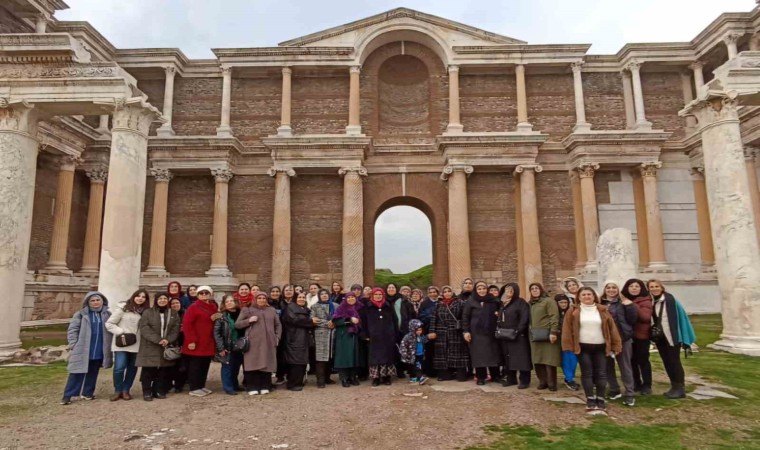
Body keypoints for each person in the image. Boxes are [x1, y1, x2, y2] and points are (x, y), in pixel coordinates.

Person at [562, 286, 622, 413]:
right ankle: (590, 398)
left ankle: (600, 398)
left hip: (600, 346)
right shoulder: (573, 311)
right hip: (583, 347)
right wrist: (567, 345)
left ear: (594, 296)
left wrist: (616, 345)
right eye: (583, 295)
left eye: (589, 294)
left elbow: (612, 329)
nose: (587, 297)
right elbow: (567, 329)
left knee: (601, 373)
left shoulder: (602, 310)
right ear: (579, 297)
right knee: (587, 373)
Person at [61, 292, 113, 405]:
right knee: (76, 372)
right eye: (92, 301)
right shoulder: (80, 314)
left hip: (99, 348)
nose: (95, 302)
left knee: (93, 372)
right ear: (88, 302)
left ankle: (87, 393)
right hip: (83, 348)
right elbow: (72, 330)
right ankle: (68, 395)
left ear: (102, 301)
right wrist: (73, 344)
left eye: (97, 300)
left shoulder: (107, 314)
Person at [648, 279, 696, 399]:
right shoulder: (653, 301)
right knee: (667, 361)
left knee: (674, 361)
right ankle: (674, 386)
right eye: (651, 287)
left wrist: (683, 336)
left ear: (662, 287)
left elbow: (680, 317)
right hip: (661, 337)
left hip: (672, 336)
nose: (654, 288)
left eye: (656, 286)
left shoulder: (669, 300)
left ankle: (679, 388)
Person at [106, 289, 149, 401]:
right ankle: (117, 390)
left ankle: (126, 390)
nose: (140, 298)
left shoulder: (146, 311)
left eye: (143, 297)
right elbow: (109, 323)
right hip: (123, 343)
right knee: (119, 368)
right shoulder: (123, 309)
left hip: (138, 344)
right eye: (138, 296)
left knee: (132, 368)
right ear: (133, 297)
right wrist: (121, 332)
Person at [136, 293, 181, 401]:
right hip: (150, 345)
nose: (162, 300)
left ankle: (158, 390)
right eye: (160, 298)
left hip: (164, 345)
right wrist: (158, 340)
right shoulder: (148, 312)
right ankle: (147, 391)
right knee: (148, 370)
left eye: (165, 298)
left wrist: (168, 340)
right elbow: (145, 328)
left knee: (162, 370)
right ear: (156, 300)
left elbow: (175, 329)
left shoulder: (173, 313)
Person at [236, 291, 282, 395]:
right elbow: (237, 324)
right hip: (253, 342)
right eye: (259, 298)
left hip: (269, 341)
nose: (262, 300)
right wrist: (248, 321)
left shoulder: (271, 310)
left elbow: (278, 325)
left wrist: (277, 337)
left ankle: (265, 385)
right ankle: (252, 386)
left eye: (264, 298)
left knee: (267, 363)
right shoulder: (247, 310)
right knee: (253, 363)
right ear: (255, 299)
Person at [600, 280, 638, 406]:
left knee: (625, 366)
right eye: (608, 287)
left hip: (622, 338)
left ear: (618, 289)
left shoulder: (624, 302)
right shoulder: (600, 303)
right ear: (605, 290)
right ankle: (614, 389)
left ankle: (630, 393)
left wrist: (630, 306)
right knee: (607, 366)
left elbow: (632, 320)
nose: (611, 290)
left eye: (614, 287)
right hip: (605, 339)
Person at [181, 285, 218, 397]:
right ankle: (194, 387)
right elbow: (187, 324)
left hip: (208, 341)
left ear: (210, 294)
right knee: (195, 365)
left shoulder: (212, 307)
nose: (204, 295)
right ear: (197, 295)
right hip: (196, 341)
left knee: (204, 365)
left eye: (206, 293)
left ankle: (201, 385)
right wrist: (191, 340)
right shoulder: (193, 307)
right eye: (201, 293)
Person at [462, 281, 501, 385]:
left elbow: (501, 311)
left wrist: (498, 313)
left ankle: (495, 376)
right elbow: (465, 316)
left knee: (493, 354)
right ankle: (481, 377)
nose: (482, 290)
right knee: (479, 355)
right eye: (479, 289)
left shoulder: (494, 300)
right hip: (476, 332)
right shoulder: (471, 301)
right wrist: (466, 331)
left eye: (483, 288)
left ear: (487, 289)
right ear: (476, 290)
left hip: (491, 331)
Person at [428, 286, 469, 382]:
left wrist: (465, 330)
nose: (447, 293)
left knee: (458, 353)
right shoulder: (438, 304)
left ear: (452, 292)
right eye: (445, 291)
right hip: (441, 332)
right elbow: (434, 319)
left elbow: (464, 318)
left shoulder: (460, 303)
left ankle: (461, 374)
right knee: (443, 354)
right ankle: (445, 374)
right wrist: (432, 331)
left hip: (456, 331)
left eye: (449, 291)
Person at [360, 288, 400, 386]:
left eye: (380, 294)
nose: (378, 296)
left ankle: (386, 377)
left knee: (387, 356)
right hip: (374, 337)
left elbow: (394, 321)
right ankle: (376, 378)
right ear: (372, 296)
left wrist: (394, 334)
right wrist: (365, 335)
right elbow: (363, 323)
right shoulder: (367, 308)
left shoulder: (388, 306)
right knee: (375, 357)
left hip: (387, 336)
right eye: (376, 294)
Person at [496, 283, 532, 389]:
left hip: (518, 335)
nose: (508, 292)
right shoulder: (504, 303)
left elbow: (524, 318)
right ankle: (511, 379)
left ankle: (524, 380)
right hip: (505, 334)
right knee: (508, 358)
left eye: (511, 290)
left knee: (522, 358)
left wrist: (518, 331)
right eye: (507, 290)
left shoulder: (521, 303)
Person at [529, 283, 561, 391]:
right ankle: (542, 381)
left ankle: (552, 383)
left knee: (549, 360)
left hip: (547, 334)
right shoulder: (531, 303)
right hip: (535, 335)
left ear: (541, 289)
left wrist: (553, 332)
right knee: (538, 359)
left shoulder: (548, 301)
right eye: (532, 289)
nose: (534, 290)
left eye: (536, 288)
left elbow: (554, 316)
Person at [623, 279, 652, 395]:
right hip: (629, 336)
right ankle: (636, 383)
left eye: (637, 286)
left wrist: (632, 304)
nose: (634, 288)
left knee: (643, 360)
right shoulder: (622, 301)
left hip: (642, 336)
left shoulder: (646, 301)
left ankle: (647, 385)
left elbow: (645, 317)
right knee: (631, 361)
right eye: (631, 286)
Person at [281, 292, 313, 391]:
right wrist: (310, 322)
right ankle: (292, 383)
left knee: (302, 361)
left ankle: (299, 382)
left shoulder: (306, 309)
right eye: (299, 297)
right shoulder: (290, 308)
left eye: (303, 297)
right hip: (294, 338)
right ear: (295, 298)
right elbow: (294, 320)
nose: (302, 299)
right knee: (295, 362)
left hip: (304, 338)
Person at [332, 292, 364, 387]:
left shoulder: (359, 308)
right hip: (344, 335)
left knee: (354, 357)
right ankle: (344, 378)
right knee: (344, 357)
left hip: (356, 335)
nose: (350, 299)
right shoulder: (341, 308)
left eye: (352, 297)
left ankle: (353, 377)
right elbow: (336, 321)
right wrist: (349, 320)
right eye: (348, 297)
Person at [214, 295, 243, 395]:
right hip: (227, 345)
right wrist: (221, 347)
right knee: (227, 367)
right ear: (224, 304)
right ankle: (228, 387)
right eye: (227, 301)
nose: (230, 303)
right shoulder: (221, 316)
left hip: (239, 345)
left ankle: (235, 385)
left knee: (236, 367)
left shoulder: (241, 314)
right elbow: (217, 333)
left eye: (231, 301)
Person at [311, 288, 337, 388]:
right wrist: (327, 323)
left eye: (326, 294)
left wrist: (334, 323)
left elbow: (338, 317)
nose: (324, 295)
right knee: (321, 357)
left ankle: (327, 377)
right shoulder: (314, 306)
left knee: (330, 356)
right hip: (320, 334)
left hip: (332, 333)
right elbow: (314, 320)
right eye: (322, 294)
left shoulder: (334, 306)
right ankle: (320, 380)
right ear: (319, 296)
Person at [555, 293, 580, 391]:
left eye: (565, 302)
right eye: (561, 302)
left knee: (573, 360)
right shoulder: (555, 313)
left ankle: (570, 377)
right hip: (560, 339)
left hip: (572, 339)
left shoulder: (571, 312)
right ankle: (569, 378)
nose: (564, 304)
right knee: (566, 360)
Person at [275, 284, 296, 385]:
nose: (288, 292)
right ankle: (280, 376)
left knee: (292, 354)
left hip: (293, 332)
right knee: (280, 355)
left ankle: (291, 375)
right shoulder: (279, 303)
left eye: (290, 290)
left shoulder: (296, 302)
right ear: (283, 292)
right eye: (286, 290)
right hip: (282, 332)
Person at [167, 298, 188, 392]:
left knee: (182, 365)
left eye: (177, 303)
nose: (175, 305)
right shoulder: (167, 314)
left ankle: (179, 385)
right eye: (172, 303)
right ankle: (169, 384)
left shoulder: (186, 313)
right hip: (171, 342)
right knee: (170, 365)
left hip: (184, 341)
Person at [399, 319, 429, 385]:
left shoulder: (421, 336)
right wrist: (405, 354)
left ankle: (414, 377)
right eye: (417, 330)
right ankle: (420, 377)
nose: (419, 332)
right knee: (416, 367)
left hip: (420, 354)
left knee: (419, 366)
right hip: (412, 356)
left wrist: (428, 337)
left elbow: (425, 341)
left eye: (420, 330)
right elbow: (403, 346)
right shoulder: (408, 337)